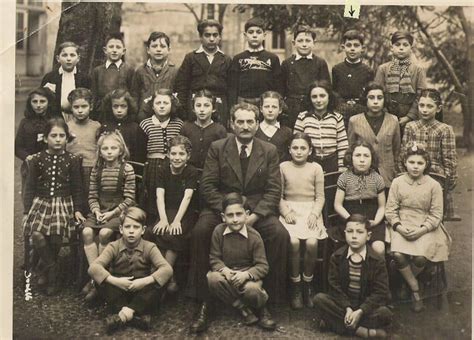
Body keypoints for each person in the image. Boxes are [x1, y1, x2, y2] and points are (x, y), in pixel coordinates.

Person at [186, 102, 288, 333]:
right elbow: (209, 186)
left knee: (279, 234)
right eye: (240, 122)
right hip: (222, 209)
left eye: (250, 121)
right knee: (202, 230)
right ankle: (206, 300)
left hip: (255, 210)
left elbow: (273, 190)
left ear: (257, 123)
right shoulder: (218, 147)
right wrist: (227, 214)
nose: (245, 126)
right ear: (231, 124)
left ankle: (263, 300)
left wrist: (254, 217)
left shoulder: (268, 150)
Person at [22, 118, 85, 295]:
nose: (58, 139)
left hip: (63, 203)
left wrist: (78, 209)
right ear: (45, 138)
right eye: (53, 135)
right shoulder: (36, 160)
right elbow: (30, 187)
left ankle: (49, 273)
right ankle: (52, 268)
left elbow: (77, 188)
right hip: (41, 203)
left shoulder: (72, 160)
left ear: (67, 138)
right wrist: (27, 211)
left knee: (57, 233)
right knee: (37, 234)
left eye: (61, 136)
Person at [386, 142, 451, 312]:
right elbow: (390, 210)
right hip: (402, 222)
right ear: (405, 162)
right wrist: (399, 227)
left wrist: (421, 230)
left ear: (426, 164)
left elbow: (436, 215)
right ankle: (415, 288)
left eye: (420, 163)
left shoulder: (434, 185)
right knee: (398, 254)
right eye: (412, 162)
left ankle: (404, 282)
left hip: (427, 226)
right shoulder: (397, 182)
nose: (415, 167)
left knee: (421, 257)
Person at [88, 206, 173, 334]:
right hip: (119, 288)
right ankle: (136, 316)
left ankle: (123, 315)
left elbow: (167, 269)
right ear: (121, 229)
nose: (131, 231)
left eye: (136, 227)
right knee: (100, 281)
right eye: (127, 227)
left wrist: (144, 281)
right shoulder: (113, 246)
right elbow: (93, 268)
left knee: (161, 281)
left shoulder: (149, 247)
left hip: (141, 290)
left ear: (143, 230)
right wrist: (115, 281)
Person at [313, 214, 392, 338]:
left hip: (364, 306)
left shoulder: (376, 260)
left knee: (385, 314)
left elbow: (381, 291)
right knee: (319, 299)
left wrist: (361, 311)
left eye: (360, 232)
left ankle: (333, 323)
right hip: (344, 304)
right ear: (345, 233)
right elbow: (334, 287)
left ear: (368, 236)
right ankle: (362, 331)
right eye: (350, 231)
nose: (354, 236)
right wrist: (348, 308)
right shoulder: (337, 257)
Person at [207, 192, 276, 330]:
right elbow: (214, 258)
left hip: (247, 276)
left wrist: (246, 275)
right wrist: (224, 270)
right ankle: (242, 307)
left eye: (239, 214)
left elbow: (262, 266)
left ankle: (261, 308)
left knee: (253, 290)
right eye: (230, 215)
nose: (235, 219)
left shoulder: (254, 236)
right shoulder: (218, 232)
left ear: (247, 214)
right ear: (223, 217)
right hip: (228, 275)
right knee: (212, 278)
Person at [81, 130, 136, 302]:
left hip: (119, 210)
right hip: (100, 209)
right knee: (87, 233)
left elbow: (129, 198)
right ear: (100, 151)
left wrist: (112, 213)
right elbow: (92, 196)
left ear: (121, 150)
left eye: (113, 148)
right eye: (105, 148)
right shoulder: (97, 170)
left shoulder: (126, 168)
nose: (109, 151)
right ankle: (96, 277)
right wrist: (97, 211)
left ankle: (98, 280)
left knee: (105, 233)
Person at [279, 132, 327, 309]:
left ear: (310, 150)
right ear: (289, 150)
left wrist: (314, 214)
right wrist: (285, 212)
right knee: (293, 242)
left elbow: (320, 197)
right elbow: (279, 196)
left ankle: (308, 283)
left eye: (303, 148)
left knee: (312, 243)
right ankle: (295, 285)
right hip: (290, 211)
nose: (299, 152)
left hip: (310, 211)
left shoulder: (316, 168)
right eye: (295, 148)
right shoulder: (283, 166)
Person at [400, 88, 459, 221]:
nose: (424, 110)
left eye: (429, 106)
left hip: (437, 179)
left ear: (438, 109)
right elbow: (403, 155)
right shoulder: (411, 127)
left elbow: (450, 160)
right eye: (421, 105)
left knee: (435, 219)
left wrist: (448, 183)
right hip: (413, 178)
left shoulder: (444, 130)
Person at [153, 136, 199, 293]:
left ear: (188, 156)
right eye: (173, 154)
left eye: (181, 154)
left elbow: (187, 198)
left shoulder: (191, 171)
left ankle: (163, 277)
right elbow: (160, 195)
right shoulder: (162, 169)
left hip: (184, 213)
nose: (177, 158)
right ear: (167, 154)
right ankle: (168, 277)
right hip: (166, 210)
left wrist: (177, 221)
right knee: (157, 230)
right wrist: (164, 219)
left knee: (174, 233)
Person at [334, 140, 387, 258]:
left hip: (372, 217)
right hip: (349, 216)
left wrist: (376, 221)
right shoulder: (344, 177)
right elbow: (338, 205)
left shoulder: (377, 178)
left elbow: (382, 206)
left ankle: (377, 275)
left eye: (366, 156)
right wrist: (350, 219)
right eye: (358, 155)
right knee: (354, 247)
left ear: (372, 159)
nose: (362, 160)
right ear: (350, 158)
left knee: (378, 248)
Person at [138, 88, 183, 225]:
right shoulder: (145, 124)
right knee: (152, 198)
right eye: (158, 103)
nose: (162, 106)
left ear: (172, 105)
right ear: (152, 106)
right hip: (153, 167)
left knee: (171, 197)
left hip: (173, 166)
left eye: (165, 103)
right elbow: (141, 153)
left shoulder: (179, 124)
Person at [174, 19, 232, 126]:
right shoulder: (191, 58)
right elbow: (182, 86)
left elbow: (231, 88)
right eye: (207, 35)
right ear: (200, 37)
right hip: (195, 106)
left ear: (219, 37)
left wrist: (230, 114)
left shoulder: (226, 59)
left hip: (220, 107)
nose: (211, 39)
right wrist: (183, 111)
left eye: (215, 35)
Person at [348, 82, 401, 191]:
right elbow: (351, 149)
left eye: (379, 98)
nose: (375, 101)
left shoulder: (393, 120)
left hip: (387, 176)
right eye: (371, 98)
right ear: (365, 99)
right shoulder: (354, 121)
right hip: (363, 174)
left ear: (384, 100)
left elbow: (397, 150)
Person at [374, 31, 427, 129]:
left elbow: (421, 95)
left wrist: (409, 116)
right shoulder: (383, 69)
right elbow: (377, 93)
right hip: (387, 115)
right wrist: (385, 114)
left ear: (411, 49)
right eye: (397, 45)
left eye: (405, 45)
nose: (401, 48)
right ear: (392, 48)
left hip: (411, 116)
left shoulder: (418, 70)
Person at [293, 80, 349, 173]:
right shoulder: (303, 117)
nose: (318, 100)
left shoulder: (337, 117)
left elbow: (342, 144)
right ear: (310, 98)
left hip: (332, 162)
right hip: (310, 161)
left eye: (322, 96)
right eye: (314, 97)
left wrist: (342, 167)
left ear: (329, 97)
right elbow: (296, 143)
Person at [281, 25, 330, 129]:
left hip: (313, 106)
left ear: (313, 43)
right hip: (291, 108)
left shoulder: (320, 63)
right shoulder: (287, 63)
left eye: (307, 41)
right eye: (300, 41)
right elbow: (281, 89)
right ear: (294, 43)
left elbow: (326, 88)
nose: (304, 44)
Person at [228, 17, 283, 107]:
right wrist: (233, 106)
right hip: (243, 102)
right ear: (245, 36)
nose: (254, 35)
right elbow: (233, 86)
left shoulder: (273, 58)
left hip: (265, 103)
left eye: (258, 32)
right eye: (251, 32)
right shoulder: (238, 58)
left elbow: (278, 86)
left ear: (264, 35)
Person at [15, 87, 56, 198]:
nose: (38, 105)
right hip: (30, 165)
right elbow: (17, 147)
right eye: (35, 101)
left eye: (42, 101)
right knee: (28, 195)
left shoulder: (54, 122)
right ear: (30, 103)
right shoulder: (25, 122)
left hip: (51, 164)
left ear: (49, 102)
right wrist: (28, 158)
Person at [65, 88, 101, 212]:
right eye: (76, 107)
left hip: (91, 167)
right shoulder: (67, 127)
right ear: (71, 108)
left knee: (89, 197)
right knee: (74, 197)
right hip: (72, 168)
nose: (80, 110)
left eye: (84, 106)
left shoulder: (96, 126)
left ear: (90, 107)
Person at [332, 30, 375, 129]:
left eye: (356, 45)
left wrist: (359, 103)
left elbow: (370, 93)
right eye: (349, 45)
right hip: (341, 110)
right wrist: (341, 103)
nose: (352, 49)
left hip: (361, 110)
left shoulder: (368, 70)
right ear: (343, 47)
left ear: (362, 48)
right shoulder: (337, 69)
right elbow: (334, 91)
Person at [131, 32, 178, 121]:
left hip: (168, 118)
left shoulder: (175, 71)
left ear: (169, 49)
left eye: (162, 46)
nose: (158, 49)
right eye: (154, 46)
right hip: (144, 118)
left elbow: (177, 96)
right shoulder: (140, 71)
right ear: (148, 50)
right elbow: (135, 96)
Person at [41, 41, 90, 122]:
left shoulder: (85, 78)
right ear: (58, 58)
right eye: (64, 55)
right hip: (56, 118)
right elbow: (42, 99)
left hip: (79, 117)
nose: (68, 59)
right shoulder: (50, 77)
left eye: (72, 55)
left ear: (78, 58)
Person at [90, 33, 134, 122]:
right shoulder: (97, 71)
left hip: (122, 115)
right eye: (111, 47)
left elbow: (132, 94)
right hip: (102, 115)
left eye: (118, 47)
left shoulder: (129, 70)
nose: (114, 50)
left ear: (123, 51)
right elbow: (94, 96)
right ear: (105, 50)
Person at [181, 89, 227, 170]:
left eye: (206, 105)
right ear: (193, 109)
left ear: (213, 109)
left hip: (212, 172)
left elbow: (223, 156)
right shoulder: (186, 128)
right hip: (189, 171)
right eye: (198, 105)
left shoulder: (219, 130)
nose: (202, 109)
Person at [99, 89, 143, 162]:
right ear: (110, 107)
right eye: (115, 106)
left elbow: (139, 154)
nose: (119, 110)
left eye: (123, 106)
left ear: (129, 107)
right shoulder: (105, 126)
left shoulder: (135, 128)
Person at [255, 91, 292, 163]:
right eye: (266, 106)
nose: (270, 110)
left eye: (274, 107)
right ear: (261, 109)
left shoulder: (287, 132)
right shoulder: (255, 130)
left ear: (280, 110)